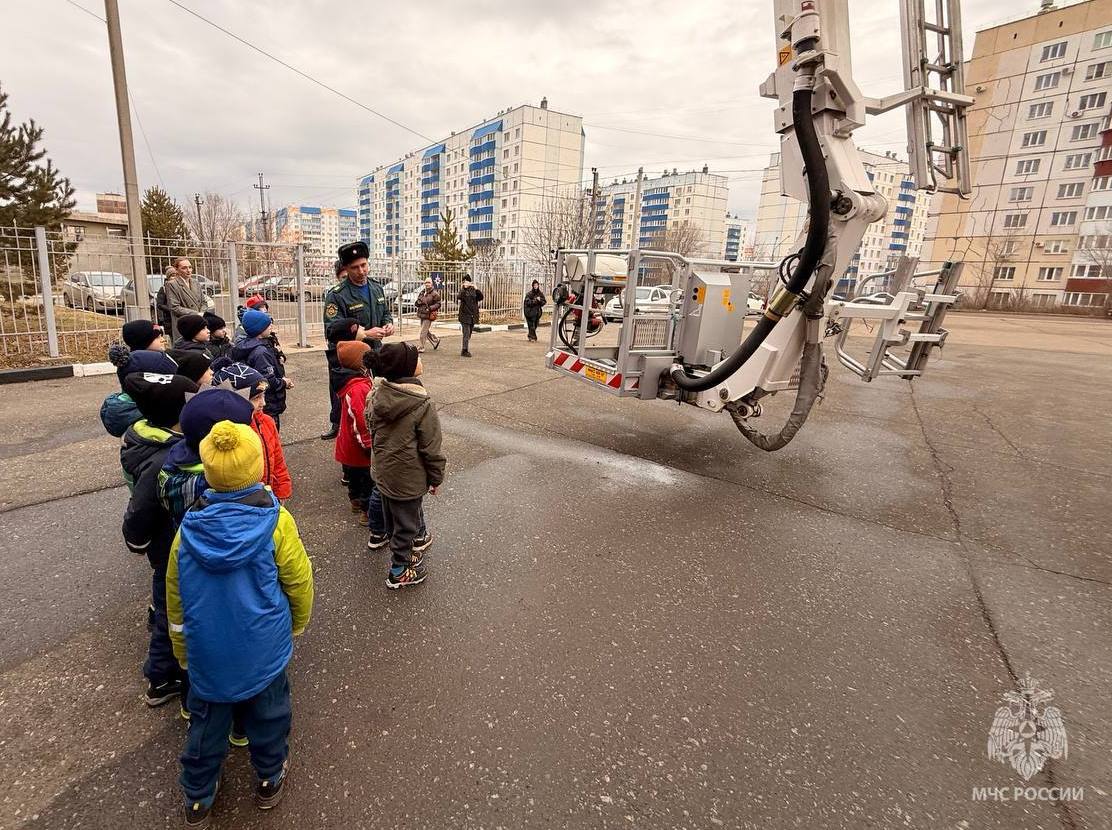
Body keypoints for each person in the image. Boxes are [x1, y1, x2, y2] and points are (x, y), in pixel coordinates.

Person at [166, 420, 313, 825]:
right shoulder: (277, 522)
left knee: (206, 725)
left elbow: (174, 601)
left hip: (207, 653)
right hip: (265, 646)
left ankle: (197, 796)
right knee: (270, 716)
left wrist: (182, 651)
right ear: (258, 465)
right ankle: (268, 777)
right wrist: (297, 623)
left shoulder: (186, 533)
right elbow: (298, 579)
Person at [120, 370, 199, 707]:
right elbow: (141, 508)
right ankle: (161, 677)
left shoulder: (147, 438)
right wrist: (138, 540)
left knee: (169, 604)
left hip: (169, 543)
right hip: (170, 546)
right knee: (172, 611)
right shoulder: (165, 458)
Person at [363, 342, 445, 589]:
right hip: (408, 477)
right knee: (407, 525)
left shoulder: (376, 394)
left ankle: (403, 554)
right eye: (416, 358)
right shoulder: (421, 404)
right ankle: (399, 570)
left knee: (392, 518)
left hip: (384, 471)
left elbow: (372, 430)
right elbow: (431, 447)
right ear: (407, 368)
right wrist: (436, 478)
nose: (421, 360)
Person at [212, 361, 293, 502]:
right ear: (236, 400)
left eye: (263, 396)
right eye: (256, 398)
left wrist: (282, 491)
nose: (263, 403)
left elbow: (278, 460)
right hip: (243, 503)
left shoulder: (266, 422)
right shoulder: (225, 434)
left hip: (269, 497)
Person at [322, 241, 394, 351]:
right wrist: (365, 334)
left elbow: (385, 313)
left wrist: (388, 324)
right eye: (355, 267)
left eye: (363, 265)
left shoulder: (377, 288)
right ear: (346, 268)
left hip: (375, 353)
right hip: (349, 359)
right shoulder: (337, 296)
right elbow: (332, 331)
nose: (361, 271)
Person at [230, 310, 292, 431]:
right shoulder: (260, 352)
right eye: (267, 325)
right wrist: (284, 382)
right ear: (259, 330)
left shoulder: (251, 345)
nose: (271, 326)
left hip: (260, 401)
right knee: (268, 433)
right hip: (267, 403)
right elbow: (267, 381)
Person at [333, 340, 373, 523]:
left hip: (350, 444)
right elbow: (360, 419)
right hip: (358, 447)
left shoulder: (352, 381)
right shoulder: (358, 387)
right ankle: (367, 512)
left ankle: (355, 501)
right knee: (366, 481)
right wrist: (368, 444)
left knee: (355, 478)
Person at [164, 257, 207, 341]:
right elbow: (174, 307)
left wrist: (202, 313)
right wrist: (196, 314)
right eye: (184, 268)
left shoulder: (196, 283)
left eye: (190, 267)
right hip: (184, 325)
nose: (188, 270)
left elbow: (203, 302)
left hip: (198, 323)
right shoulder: (172, 284)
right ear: (176, 270)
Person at [457, 274, 483, 358]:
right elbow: (459, 297)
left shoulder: (473, 290)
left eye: (467, 281)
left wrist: (477, 289)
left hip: (472, 315)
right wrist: (463, 288)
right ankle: (464, 350)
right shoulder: (462, 291)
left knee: (469, 334)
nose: (466, 283)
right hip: (464, 315)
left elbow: (481, 297)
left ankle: (465, 346)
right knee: (466, 333)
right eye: (464, 281)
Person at [415, 278, 442, 353]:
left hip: (429, 315)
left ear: (432, 284)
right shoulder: (422, 292)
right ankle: (436, 340)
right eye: (426, 282)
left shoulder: (435, 294)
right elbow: (419, 300)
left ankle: (421, 347)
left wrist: (430, 308)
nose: (427, 284)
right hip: (422, 314)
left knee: (423, 332)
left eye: (429, 282)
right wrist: (417, 302)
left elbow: (438, 304)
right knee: (426, 331)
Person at [156, 266, 176, 332]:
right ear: (168, 277)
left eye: (176, 275)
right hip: (169, 319)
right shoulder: (163, 289)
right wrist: (171, 309)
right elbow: (159, 304)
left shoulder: (180, 288)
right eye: (172, 276)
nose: (175, 278)